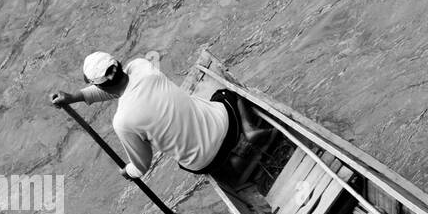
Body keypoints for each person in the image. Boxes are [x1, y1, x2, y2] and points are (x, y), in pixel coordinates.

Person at [50, 51, 271, 184]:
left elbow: (142, 165)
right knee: (225, 94)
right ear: (118, 64)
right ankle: (248, 128)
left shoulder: (123, 122)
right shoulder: (142, 66)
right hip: (228, 128)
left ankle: (232, 165)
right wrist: (73, 98)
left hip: (202, 162)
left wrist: (129, 172)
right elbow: (114, 87)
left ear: (96, 84)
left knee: (187, 159)